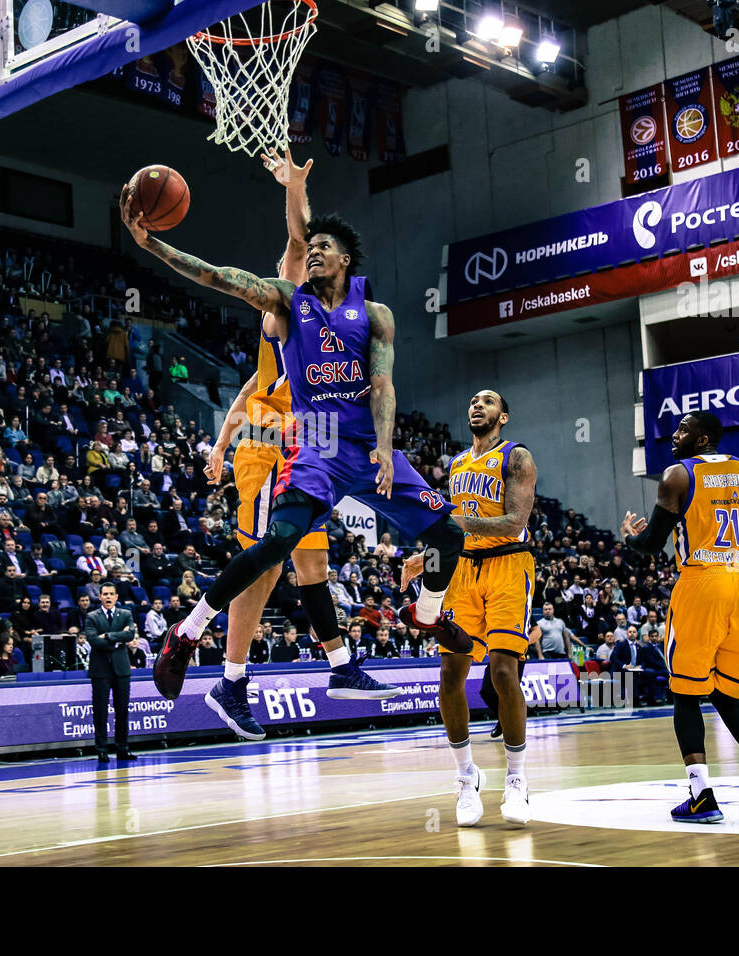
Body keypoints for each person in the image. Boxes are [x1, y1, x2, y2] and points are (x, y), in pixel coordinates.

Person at [124, 150, 471, 714]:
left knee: (448, 537)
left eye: (322, 249)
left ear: (346, 259)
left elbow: (382, 387)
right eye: (308, 249)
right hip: (317, 447)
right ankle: (186, 635)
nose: (312, 253)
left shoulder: (375, 313)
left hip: (367, 448)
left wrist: (384, 446)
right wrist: (153, 246)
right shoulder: (287, 301)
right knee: (278, 543)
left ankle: (425, 615)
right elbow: (220, 277)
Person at [621, 411, 739, 823]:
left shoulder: (677, 475)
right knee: (727, 692)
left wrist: (629, 535)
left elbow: (651, 545)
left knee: (685, 692)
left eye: (683, 430)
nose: (674, 436)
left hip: (701, 586)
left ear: (702, 440)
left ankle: (701, 795)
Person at [402, 389, 537, 827]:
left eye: (489, 401)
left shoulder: (517, 457)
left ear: (504, 416)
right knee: (450, 671)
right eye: (474, 400)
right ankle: (466, 776)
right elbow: (452, 533)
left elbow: (515, 521)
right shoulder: (459, 464)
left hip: (508, 567)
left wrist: (458, 523)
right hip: (463, 569)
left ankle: (517, 779)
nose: (477, 405)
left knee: (502, 671)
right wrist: (429, 556)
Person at [84, 582, 136, 765]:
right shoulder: (91, 616)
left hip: (121, 669)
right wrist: (118, 637)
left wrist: (106, 636)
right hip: (100, 670)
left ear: (116, 597)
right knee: (100, 711)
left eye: (111, 594)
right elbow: (92, 640)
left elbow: (131, 635)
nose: (107, 597)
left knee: (122, 711)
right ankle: (102, 750)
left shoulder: (126, 614)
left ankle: (123, 749)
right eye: (104, 594)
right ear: (99, 597)